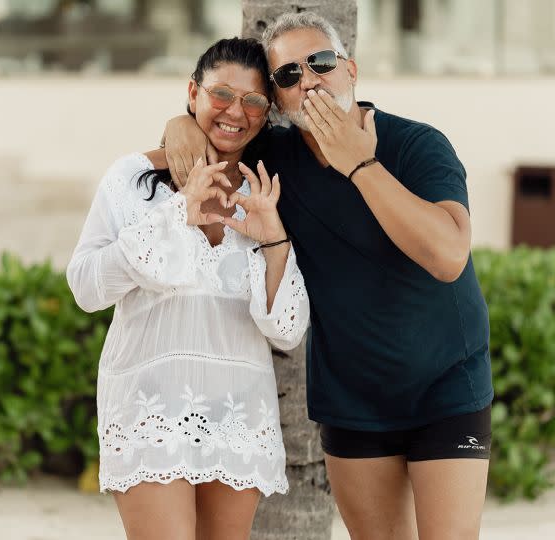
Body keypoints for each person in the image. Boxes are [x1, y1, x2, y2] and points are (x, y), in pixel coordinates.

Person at [162, 13, 493, 540]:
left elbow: (449, 255)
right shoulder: (275, 156)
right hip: (351, 395)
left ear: (351, 70)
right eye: (289, 76)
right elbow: (209, 143)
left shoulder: (418, 145)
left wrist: (358, 164)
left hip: (446, 384)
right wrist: (181, 122)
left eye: (320, 63)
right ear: (277, 99)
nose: (309, 80)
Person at [66, 37, 309, 540]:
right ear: (193, 92)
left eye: (253, 101)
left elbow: (287, 330)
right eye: (221, 94)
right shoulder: (133, 178)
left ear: (266, 113)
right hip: (149, 408)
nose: (235, 112)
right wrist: (177, 212)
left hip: (240, 412)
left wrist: (275, 241)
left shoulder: (266, 193)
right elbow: (86, 287)